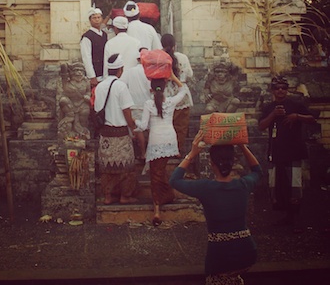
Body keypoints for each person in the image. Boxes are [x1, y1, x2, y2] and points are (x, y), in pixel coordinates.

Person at [170, 131, 263, 284]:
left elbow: (174, 180)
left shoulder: (205, 188)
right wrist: (242, 146)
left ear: (211, 164)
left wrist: (192, 153)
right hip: (247, 252)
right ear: (233, 162)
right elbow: (258, 171)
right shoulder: (243, 185)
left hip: (221, 257)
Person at [258, 74, 316, 232]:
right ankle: (287, 216)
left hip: (294, 150)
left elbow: (312, 118)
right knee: (279, 185)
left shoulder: (296, 104)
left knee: (295, 185)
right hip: (276, 151)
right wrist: (273, 115)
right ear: (273, 91)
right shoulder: (269, 107)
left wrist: (297, 116)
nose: (281, 91)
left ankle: (295, 217)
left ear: (287, 90)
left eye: (284, 88)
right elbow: (261, 126)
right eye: (277, 88)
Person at [135, 66, 188, 226]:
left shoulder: (148, 104)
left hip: (156, 141)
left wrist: (132, 122)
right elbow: (184, 90)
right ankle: (168, 195)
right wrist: (173, 77)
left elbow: (143, 126)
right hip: (170, 141)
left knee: (155, 176)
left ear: (151, 89)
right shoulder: (171, 102)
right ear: (164, 88)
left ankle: (157, 209)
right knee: (160, 172)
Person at [94, 53, 139, 204]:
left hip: (105, 134)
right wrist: (132, 128)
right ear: (121, 69)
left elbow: (96, 109)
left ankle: (107, 196)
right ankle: (124, 196)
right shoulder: (121, 86)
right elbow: (127, 111)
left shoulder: (99, 87)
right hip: (120, 134)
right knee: (126, 167)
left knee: (107, 167)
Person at [161, 33, 194, 156]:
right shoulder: (183, 57)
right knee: (181, 126)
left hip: (165, 94)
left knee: (166, 125)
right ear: (175, 45)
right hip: (181, 93)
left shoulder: (159, 58)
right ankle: (178, 150)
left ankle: (166, 150)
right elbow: (190, 75)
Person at [120, 47, 151, 159]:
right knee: (148, 129)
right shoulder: (150, 72)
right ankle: (147, 153)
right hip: (148, 104)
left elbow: (121, 84)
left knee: (138, 130)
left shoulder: (130, 71)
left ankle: (142, 153)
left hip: (134, 104)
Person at [80, 7, 108, 87]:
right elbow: (86, 57)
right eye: (94, 18)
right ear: (90, 20)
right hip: (95, 74)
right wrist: (92, 76)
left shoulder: (104, 35)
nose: (97, 20)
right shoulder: (87, 37)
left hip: (105, 72)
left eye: (99, 17)